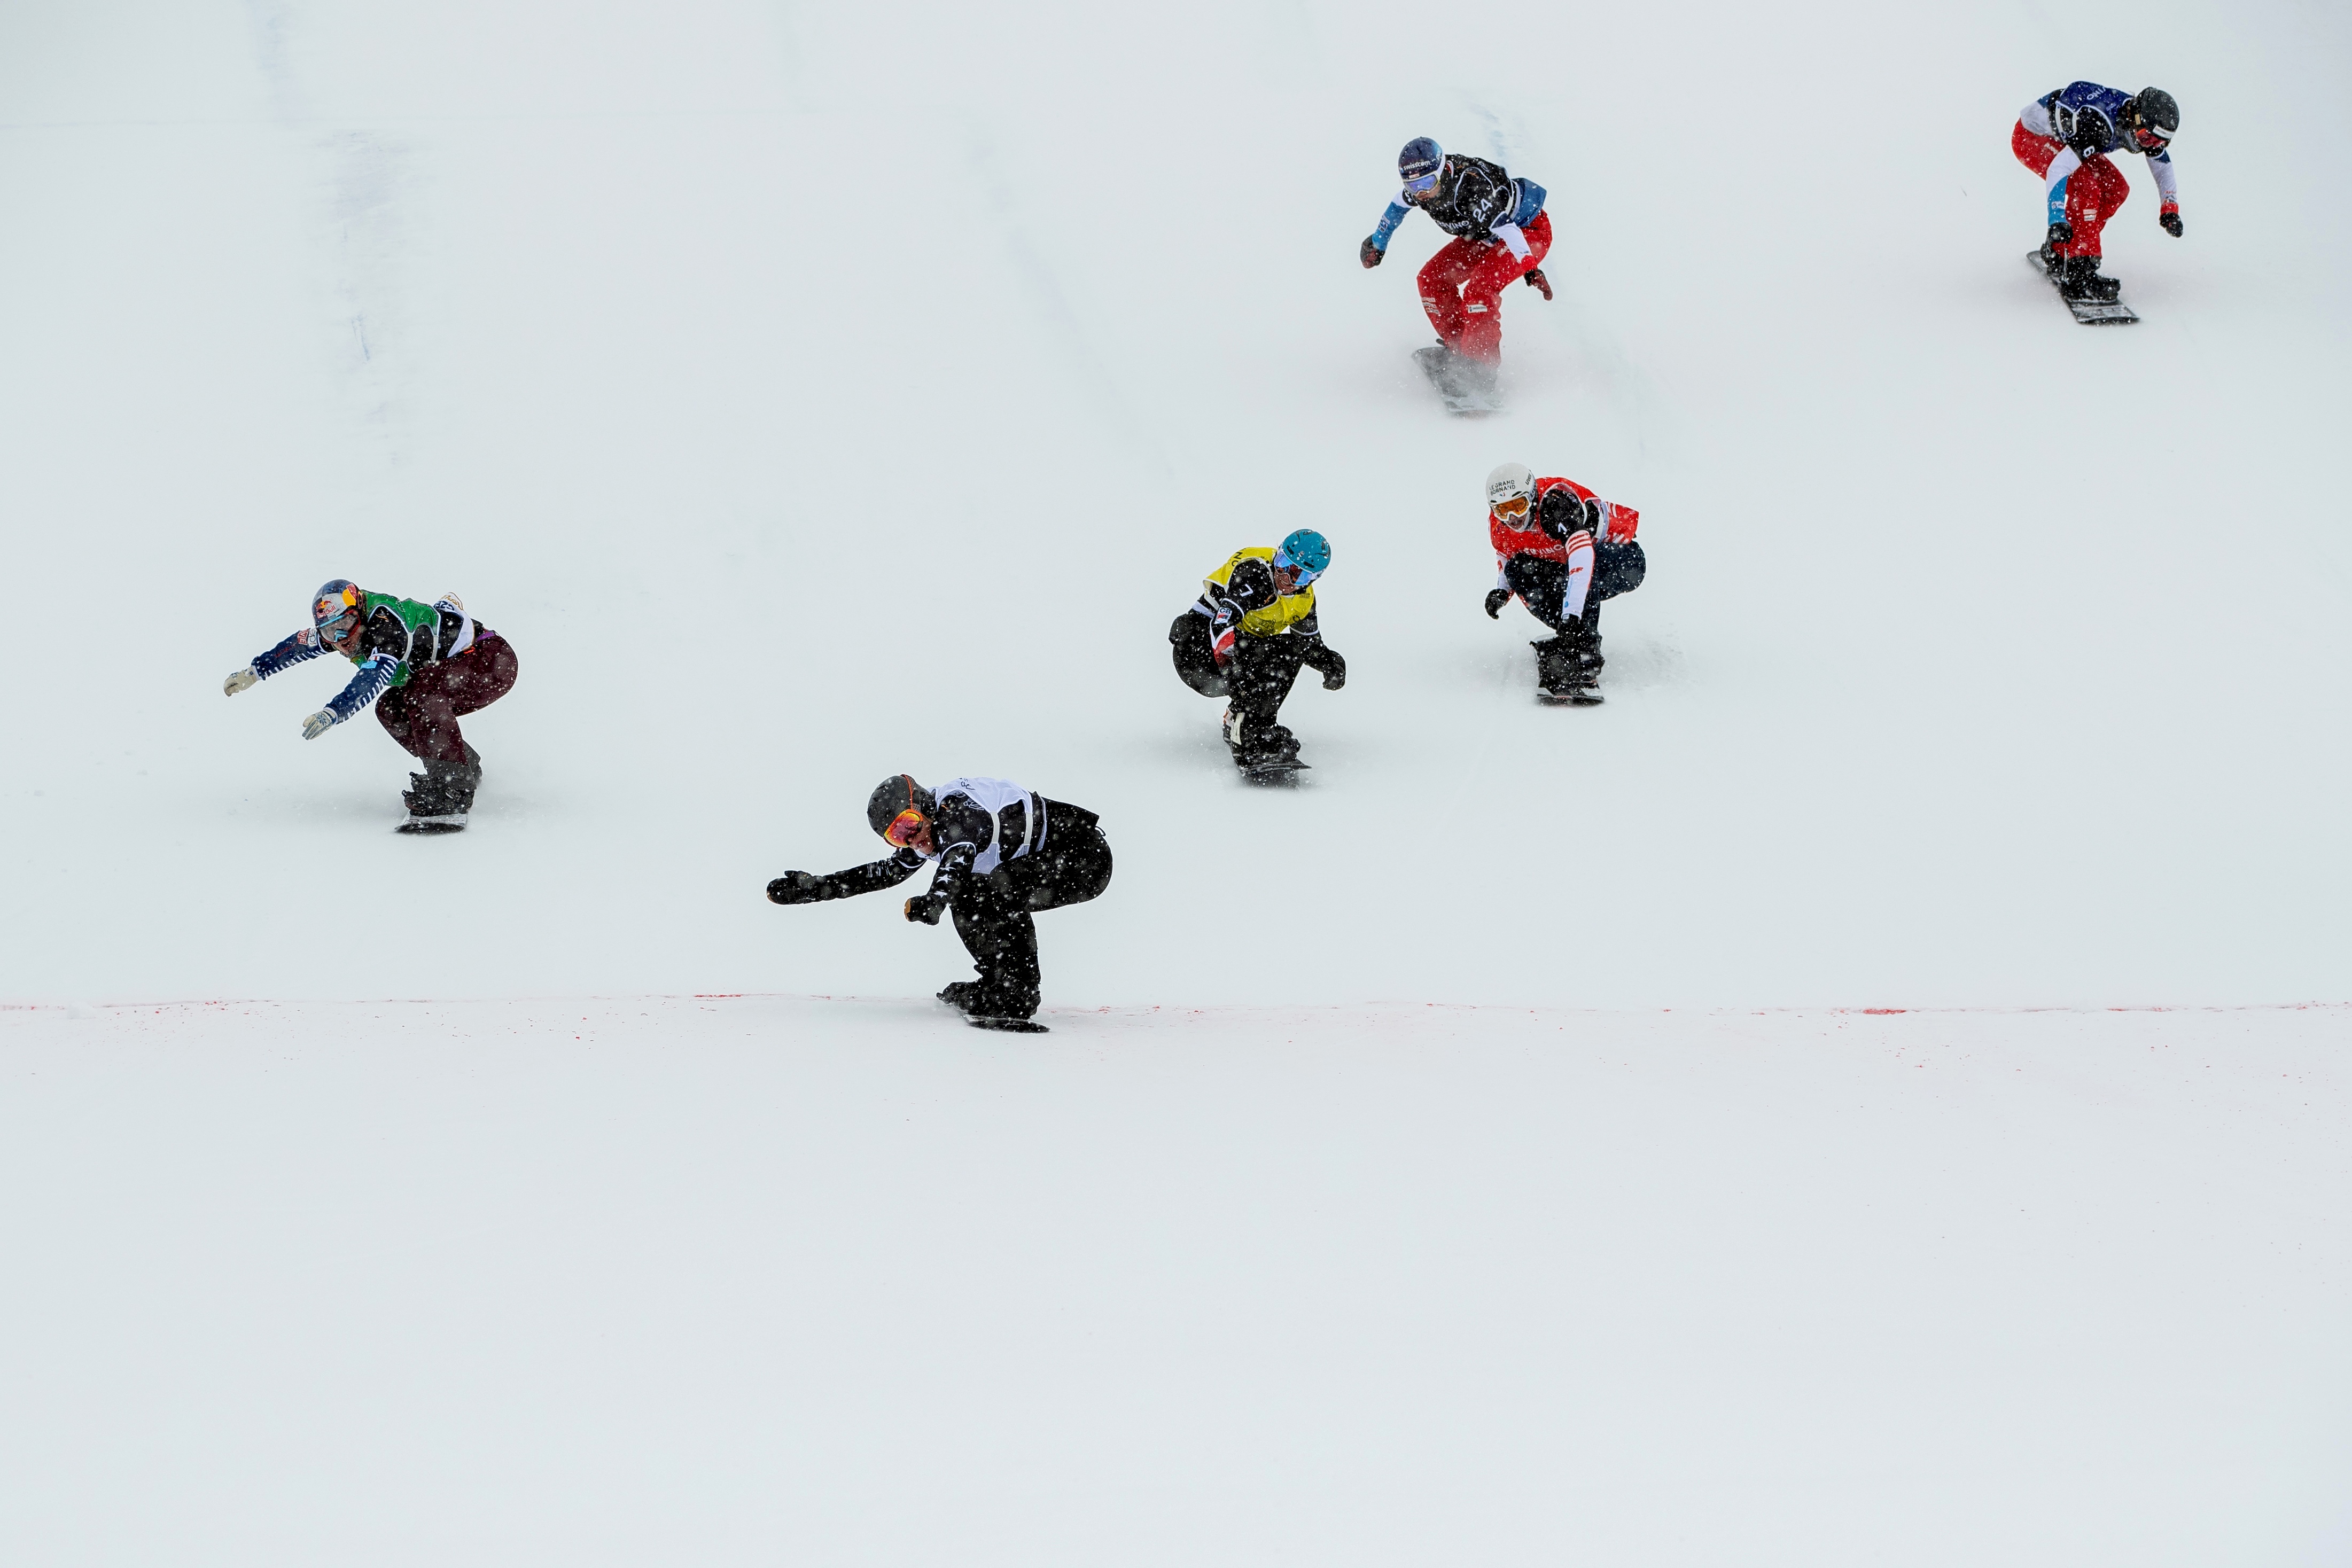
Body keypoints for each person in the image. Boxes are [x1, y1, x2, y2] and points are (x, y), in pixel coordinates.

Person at [766, 775, 1113, 1023]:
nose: (912, 839)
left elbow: (957, 861)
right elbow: (884, 874)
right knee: (975, 892)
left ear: (924, 806)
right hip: (1056, 861)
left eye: (910, 824)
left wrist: (934, 900)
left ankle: (1018, 993)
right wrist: (818, 886)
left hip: (1084, 858)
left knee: (998, 887)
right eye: (897, 836)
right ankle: (998, 982)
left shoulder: (959, 812)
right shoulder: (929, 830)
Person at [223, 580, 518, 833]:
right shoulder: (342, 630)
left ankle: (452, 787)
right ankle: (461, 765)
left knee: (420, 691)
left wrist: (334, 712)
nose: (341, 640)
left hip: (489, 662)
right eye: (329, 633)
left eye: (345, 625)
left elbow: (371, 678)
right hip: (453, 669)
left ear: (360, 612)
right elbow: (296, 646)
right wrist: (254, 672)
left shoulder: (385, 628)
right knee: (391, 707)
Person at [1360, 137, 1553, 388]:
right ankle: (1462, 350)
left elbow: (1508, 229)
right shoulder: (1418, 193)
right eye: (1412, 185)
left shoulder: (1472, 189)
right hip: (1484, 236)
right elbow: (1397, 207)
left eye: (1427, 182)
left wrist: (1529, 268)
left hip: (1526, 233)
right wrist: (1378, 243)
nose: (1422, 192)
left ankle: (1481, 367)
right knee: (1431, 279)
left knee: (1480, 289)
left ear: (1442, 172)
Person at [1167, 528, 1346, 769]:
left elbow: (1308, 646)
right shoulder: (1257, 574)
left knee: (1292, 649)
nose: (1284, 577)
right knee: (1260, 658)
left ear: (1313, 580)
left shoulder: (1303, 601)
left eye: (1299, 575)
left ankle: (1245, 723)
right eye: (1283, 563)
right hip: (1198, 653)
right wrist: (1234, 671)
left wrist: (1330, 663)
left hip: (1238, 653)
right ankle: (1250, 738)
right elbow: (1221, 623)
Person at [1480, 463, 1646, 699]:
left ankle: (1585, 648)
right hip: (1566, 562)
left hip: (1622, 559)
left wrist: (1573, 614)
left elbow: (1582, 559)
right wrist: (1502, 591)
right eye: (1502, 510)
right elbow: (1508, 554)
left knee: (1578, 572)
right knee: (1519, 570)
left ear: (1532, 498)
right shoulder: (1499, 526)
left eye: (1518, 506)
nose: (1512, 518)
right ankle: (1569, 638)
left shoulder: (1556, 506)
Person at [2013, 83, 2180, 301]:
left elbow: (2162, 166)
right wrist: (2056, 219)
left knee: (2116, 189)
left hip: (2067, 138)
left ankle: (2061, 249)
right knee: (2088, 189)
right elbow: (2059, 169)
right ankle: (2078, 271)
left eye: (2158, 142)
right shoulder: (2097, 124)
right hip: (2031, 138)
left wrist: (2170, 207)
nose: (2148, 146)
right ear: (2135, 119)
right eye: (2146, 139)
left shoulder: (2139, 124)